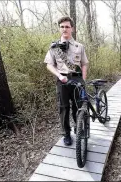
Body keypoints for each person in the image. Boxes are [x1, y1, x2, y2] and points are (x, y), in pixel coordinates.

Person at [44, 16, 89, 146]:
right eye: (62, 27)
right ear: (59, 28)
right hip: (62, 80)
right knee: (63, 109)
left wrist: (83, 79)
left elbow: (84, 63)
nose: (65, 29)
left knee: (78, 107)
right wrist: (59, 75)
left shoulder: (79, 46)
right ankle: (67, 134)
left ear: (72, 29)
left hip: (77, 79)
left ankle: (79, 129)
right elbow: (49, 64)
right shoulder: (54, 47)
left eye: (67, 26)